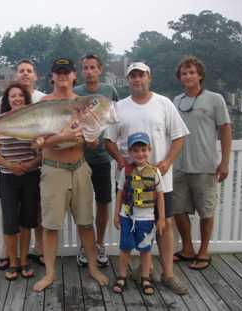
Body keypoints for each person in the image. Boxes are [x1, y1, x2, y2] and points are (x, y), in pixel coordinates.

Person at [106, 62, 190, 295]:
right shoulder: (118, 107)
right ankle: (143, 271)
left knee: (164, 224)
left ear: (148, 77)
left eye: (141, 75)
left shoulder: (164, 104)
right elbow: (109, 141)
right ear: (128, 80)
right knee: (129, 223)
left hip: (159, 180)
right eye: (132, 76)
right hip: (129, 182)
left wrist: (167, 162)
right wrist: (121, 161)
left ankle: (168, 274)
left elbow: (179, 136)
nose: (137, 79)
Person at [32, 57, 109, 292]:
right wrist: (63, 137)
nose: (63, 76)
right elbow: (37, 145)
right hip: (53, 170)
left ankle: (93, 268)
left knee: (86, 223)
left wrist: (92, 137)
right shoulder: (43, 103)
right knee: (51, 226)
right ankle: (50, 274)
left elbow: (94, 143)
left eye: (67, 72)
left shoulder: (85, 103)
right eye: (58, 72)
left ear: (74, 76)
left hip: (80, 168)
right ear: (52, 77)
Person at [172, 56, 232, 270]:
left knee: (206, 211)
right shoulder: (176, 101)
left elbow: (225, 129)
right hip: (178, 167)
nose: (188, 76)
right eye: (184, 73)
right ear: (180, 77)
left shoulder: (215, 99)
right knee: (178, 210)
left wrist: (224, 162)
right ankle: (187, 249)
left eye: (192, 72)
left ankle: (204, 251)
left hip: (205, 167)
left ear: (200, 75)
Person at [0, 59, 46, 270]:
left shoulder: (37, 117)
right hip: (8, 176)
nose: (16, 98)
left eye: (20, 96)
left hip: (31, 175)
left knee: (28, 222)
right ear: (8, 99)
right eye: (12, 96)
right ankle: (12, 262)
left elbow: (42, 152)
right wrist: (11, 165)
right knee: (9, 222)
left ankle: (24, 260)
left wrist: (29, 164)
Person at [74, 53, 119, 268]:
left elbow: (117, 119)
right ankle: (85, 245)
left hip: (102, 158)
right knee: (82, 204)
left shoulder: (109, 92)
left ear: (100, 70)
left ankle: (99, 243)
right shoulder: (75, 94)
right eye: (85, 68)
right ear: (81, 71)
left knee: (103, 203)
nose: (89, 71)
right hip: (79, 158)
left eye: (93, 67)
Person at [112, 132, 165, 295]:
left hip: (147, 218)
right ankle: (122, 275)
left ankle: (145, 277)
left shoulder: (155, 172)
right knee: (125, 248)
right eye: (135, 150)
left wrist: (161, 218)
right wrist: (116, 215)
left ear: (149, 150)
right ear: (129, 152)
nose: (140, 154)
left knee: (145, 249)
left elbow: (161, 196)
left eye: (143, 149)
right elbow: (120, 193)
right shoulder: (125, 171)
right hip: (127, 216)